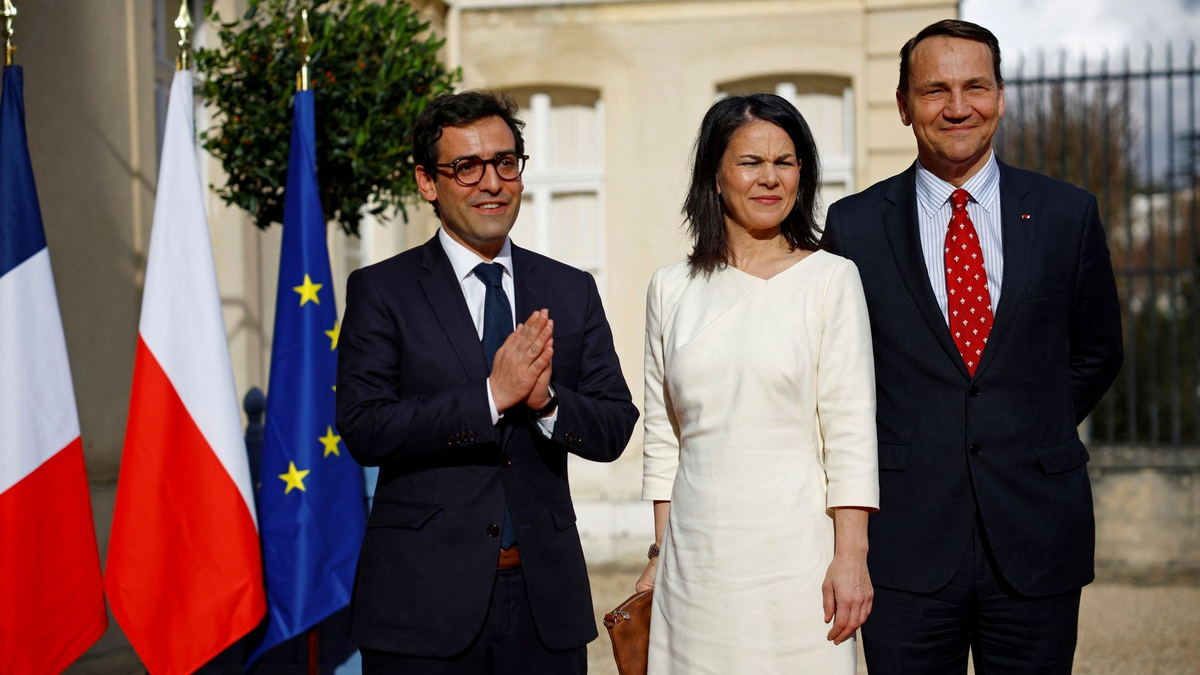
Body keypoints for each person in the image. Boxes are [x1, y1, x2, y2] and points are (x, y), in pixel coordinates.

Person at [822, 19, 1124, 674]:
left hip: (1036, 531)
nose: (957, 107)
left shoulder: (1068, 214)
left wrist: (1026, 424)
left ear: (1001, 95)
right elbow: (838, 376)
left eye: (974, 87)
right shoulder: (852, 227)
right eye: (934, 90)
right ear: (904, 106)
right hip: (904, 540)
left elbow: (1098, 351)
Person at [335, 90, 640, 674]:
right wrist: (490, 398)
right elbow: (365, 428)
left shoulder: (570, 290)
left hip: (544, 607)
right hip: (421, 607)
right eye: (466, 167)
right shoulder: (383, 290)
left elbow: (614, 426)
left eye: (505, 163)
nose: (492, 183)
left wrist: (546, 402)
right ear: (428, 182)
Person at [637, 93, 880, 674]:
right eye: (750, 162)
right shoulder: (669, 289)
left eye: (786, 162)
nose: (769, 178)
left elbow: (849, 429)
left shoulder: (832, 279)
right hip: (695, 563)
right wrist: (661, 553)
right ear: (715, 177)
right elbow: (663, 439)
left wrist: (852, 556)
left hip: (798, 560)